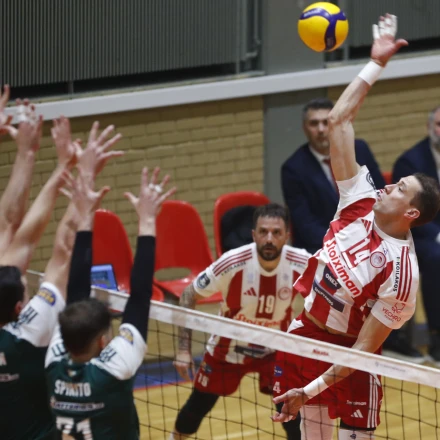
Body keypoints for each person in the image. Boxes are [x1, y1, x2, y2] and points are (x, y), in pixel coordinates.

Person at [271, 14, 440, 440]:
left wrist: (310, 390)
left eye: (400, 188)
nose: (388, 184)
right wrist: (376, 63)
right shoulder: (359, 199)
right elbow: (339, 122)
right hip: (306, 334)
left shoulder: (402, 275)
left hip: (352, 358)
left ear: (411, 213)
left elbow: (365, 346)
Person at [0, 115, 122, 440]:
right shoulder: (29, 331)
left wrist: (39, 158)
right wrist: (83, 175)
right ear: (19, 308)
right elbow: (65, 250)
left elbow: (9, 229)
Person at [45, 166, 176, 439]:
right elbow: (140, 297)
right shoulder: (114, 369)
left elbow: (77, 295)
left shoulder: (53, 362)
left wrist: (85, 217)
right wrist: (147, 220)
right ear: (103, 341)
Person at [170, 203, 312, 440]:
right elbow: (188, 295)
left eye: (276, 233)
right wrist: (184, 350)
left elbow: (332, 292)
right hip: (228, 349)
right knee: (196, 409)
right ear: (253, 234)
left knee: (292, 415)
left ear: (287, 236)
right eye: (263, 232)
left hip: (275, 349)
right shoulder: (232, 262)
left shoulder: (302, 262)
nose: (269, 239)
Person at [281, 98, 385, 255]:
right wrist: (345, 243)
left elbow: (380, 193)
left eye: (326, 122)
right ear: (304, 128)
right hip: (325, 247)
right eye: (314, 123)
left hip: (369, 235)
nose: (321, 129)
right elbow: (305, 224)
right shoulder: (293, 169)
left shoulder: (359, 149)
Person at [392, 104, 440, 365]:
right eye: (439, 125)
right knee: (436, 257)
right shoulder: (410, 161)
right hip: (418, 235)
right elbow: (408, 211)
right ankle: (436, 336)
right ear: (429, 127)